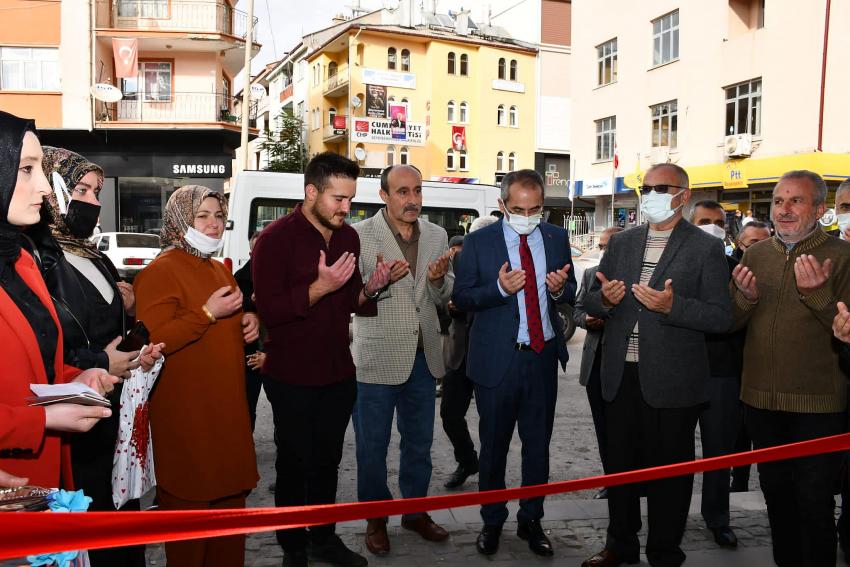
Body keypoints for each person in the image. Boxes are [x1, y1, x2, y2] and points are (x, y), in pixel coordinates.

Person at [581, 163, 732, 567]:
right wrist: (605, 301)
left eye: (659, 188)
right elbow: (591, 302)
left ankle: (665, 551)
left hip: (673, 382)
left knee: (671, 475)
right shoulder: (624, 243)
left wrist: (673, 307)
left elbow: (721, 316)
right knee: (619, 469)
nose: (649, 194)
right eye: (644, 187)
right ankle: (621, 545)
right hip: (620, 376)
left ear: (683, 194)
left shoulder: (706, 247)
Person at [252, 152, 391, 567]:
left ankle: (324, 539)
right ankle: (294, 548)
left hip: (337, 373)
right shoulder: (274, 239)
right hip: (291, 375)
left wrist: (372, 290)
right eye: (338, 199)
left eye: (350, 199)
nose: (346, 209)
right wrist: (320, 287)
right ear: (311, 192)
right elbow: (270, 312)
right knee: (294, 464)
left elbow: (352, 301)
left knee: (328, 462)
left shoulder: (349, 238)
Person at [31, 146, 163, 566]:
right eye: (82, 190)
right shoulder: (35, 260)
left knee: (123, 518)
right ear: (53, 191)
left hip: (115, 412)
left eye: (97, 191)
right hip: (74, 419)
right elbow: (40, 349)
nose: (93, 201)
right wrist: (101, 362)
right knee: (92, 521)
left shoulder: (96, 255)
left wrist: (131, 331)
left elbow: (109, 330)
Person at [134, 185, 259, 567]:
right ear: (179, 219)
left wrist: (249, 323)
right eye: (202, 215)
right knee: (189, 538)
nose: (213, 224)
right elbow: (153, 342)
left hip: (228, 419)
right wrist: (205, 314)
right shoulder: (160, 271)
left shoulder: (219, 270)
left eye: (219, 216)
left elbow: (227, 325)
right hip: (187, 423)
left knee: (228, 532)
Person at [454, 169, 576, 558]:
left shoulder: (556, 238)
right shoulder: (478, 243)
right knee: (494, 448)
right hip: (496, 361)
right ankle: (492, 521)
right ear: (503, 204)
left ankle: (531, 519)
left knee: (537, 447)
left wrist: (560, 290)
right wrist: (498, 289)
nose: (528, 215)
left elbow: (569, 288)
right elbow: (462, 296)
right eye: (519, 208)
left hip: (541, 358)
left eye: (536, 208)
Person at [730, 170, 850, 567]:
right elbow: (730, 323)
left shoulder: (843, 257)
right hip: (761, 402)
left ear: (819, 209)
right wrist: (745, 299)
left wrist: (819, 296)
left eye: (796, 201)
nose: (784, 209)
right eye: (779, 201)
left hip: (819, 406)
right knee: (777, 498)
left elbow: (846, 330)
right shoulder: (756, 254)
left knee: (814, 502)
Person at [0, 110, 117, 488]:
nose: (47, 189)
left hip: (48, 481)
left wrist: (76, 380)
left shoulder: (20, 261)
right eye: (26, 169)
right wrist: (45, 418)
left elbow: (38, 365)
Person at [351, 163, 453, 556]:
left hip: (423, 358)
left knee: (420, 444)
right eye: (403, 192)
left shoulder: (437, 234)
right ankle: (376, 519)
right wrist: (373, 286)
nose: (412, 200)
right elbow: (352, 298)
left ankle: (415, 512)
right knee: (371, 448)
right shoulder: (360, 236)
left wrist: (438, 280)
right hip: (376, 360)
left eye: (417, 190)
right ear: (383, 196)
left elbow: (444, 296)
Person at [689, 200, 745, 548]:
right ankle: (671, 516)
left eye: (718, 222)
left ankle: (717, 517)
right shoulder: (673, 267)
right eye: (703, 221)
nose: (712, 227)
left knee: (719, 452)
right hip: (678, 371)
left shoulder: (735, 268)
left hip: (723, 373)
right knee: (672, 453)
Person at [439, 217, 498, 490]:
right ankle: (467, 460)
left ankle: (489, 472)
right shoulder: (459, 263)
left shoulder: (506, 266)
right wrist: (452, 308)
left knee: (492, 421)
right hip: (460, 353)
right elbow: (446, 300)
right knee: (450, 415)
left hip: (491, 355)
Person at [572, 226, 621, 499]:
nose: (604, 251)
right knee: (603, 428)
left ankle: (633, 481)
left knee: (626, 429)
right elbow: (578, 309)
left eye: (609, 245)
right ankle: (611, 480)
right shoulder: (591, 274)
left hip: (626, 364)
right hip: (595, 363)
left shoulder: (637, 275)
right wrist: (588, 321)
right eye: (601, 246)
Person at [234, 229, 264, 430]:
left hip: (275, 351)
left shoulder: (283, 273)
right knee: (247, 404)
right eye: (256, 250)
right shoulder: (241, 277)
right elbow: (234, 308)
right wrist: (249, 303)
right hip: (250, 352)